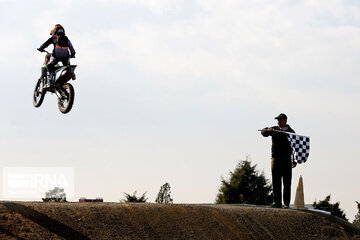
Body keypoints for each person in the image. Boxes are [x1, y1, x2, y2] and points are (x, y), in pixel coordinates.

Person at [261, 113, 296, 208]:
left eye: (280, 120)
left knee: (287, 182)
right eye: (278, 120)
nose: (278, 122)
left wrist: (294, 159)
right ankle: (277, 202)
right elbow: (263, 133)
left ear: (285, 121)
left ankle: (286, 203)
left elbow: (295, 147)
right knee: (276, 181)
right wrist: (267, 130)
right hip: (275, 159)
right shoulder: (274, 129)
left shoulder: (291, 132)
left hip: (286, 160)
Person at [37, 24, 76, 89]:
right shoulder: (66, 39)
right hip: (65, 57)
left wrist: (41, 48)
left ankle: (50, 82)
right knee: (67, 66)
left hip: (56, 56)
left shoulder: (53, 38)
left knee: (49, 66)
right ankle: (73, 74)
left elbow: (45, 44)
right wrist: (73, 54)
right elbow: (71, 48)